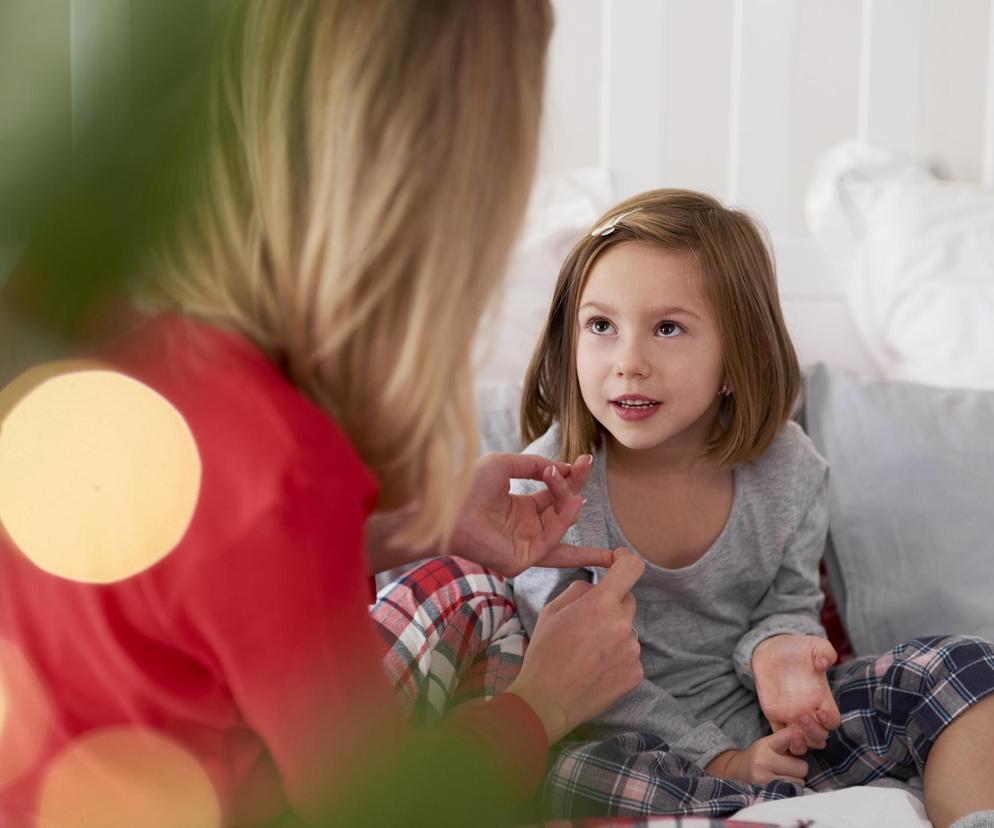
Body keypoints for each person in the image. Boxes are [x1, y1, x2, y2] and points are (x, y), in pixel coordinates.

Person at [0, 3, 645, 826]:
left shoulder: (112, 336)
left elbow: (193, 603)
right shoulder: (277, 466)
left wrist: (415, 527)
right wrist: (546, 701)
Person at [510, 188, 994, 828]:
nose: (628, 362)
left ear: (736, 359)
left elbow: (787, 607)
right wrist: (721, 760)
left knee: (965, 668)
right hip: (627, 744)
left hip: (763, 733)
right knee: (566, 777)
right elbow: (569, 680)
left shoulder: (788, 469)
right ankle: (773, 807)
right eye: (601, 326)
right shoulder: (550, 489)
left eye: (668, 328)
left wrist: (781, 655)